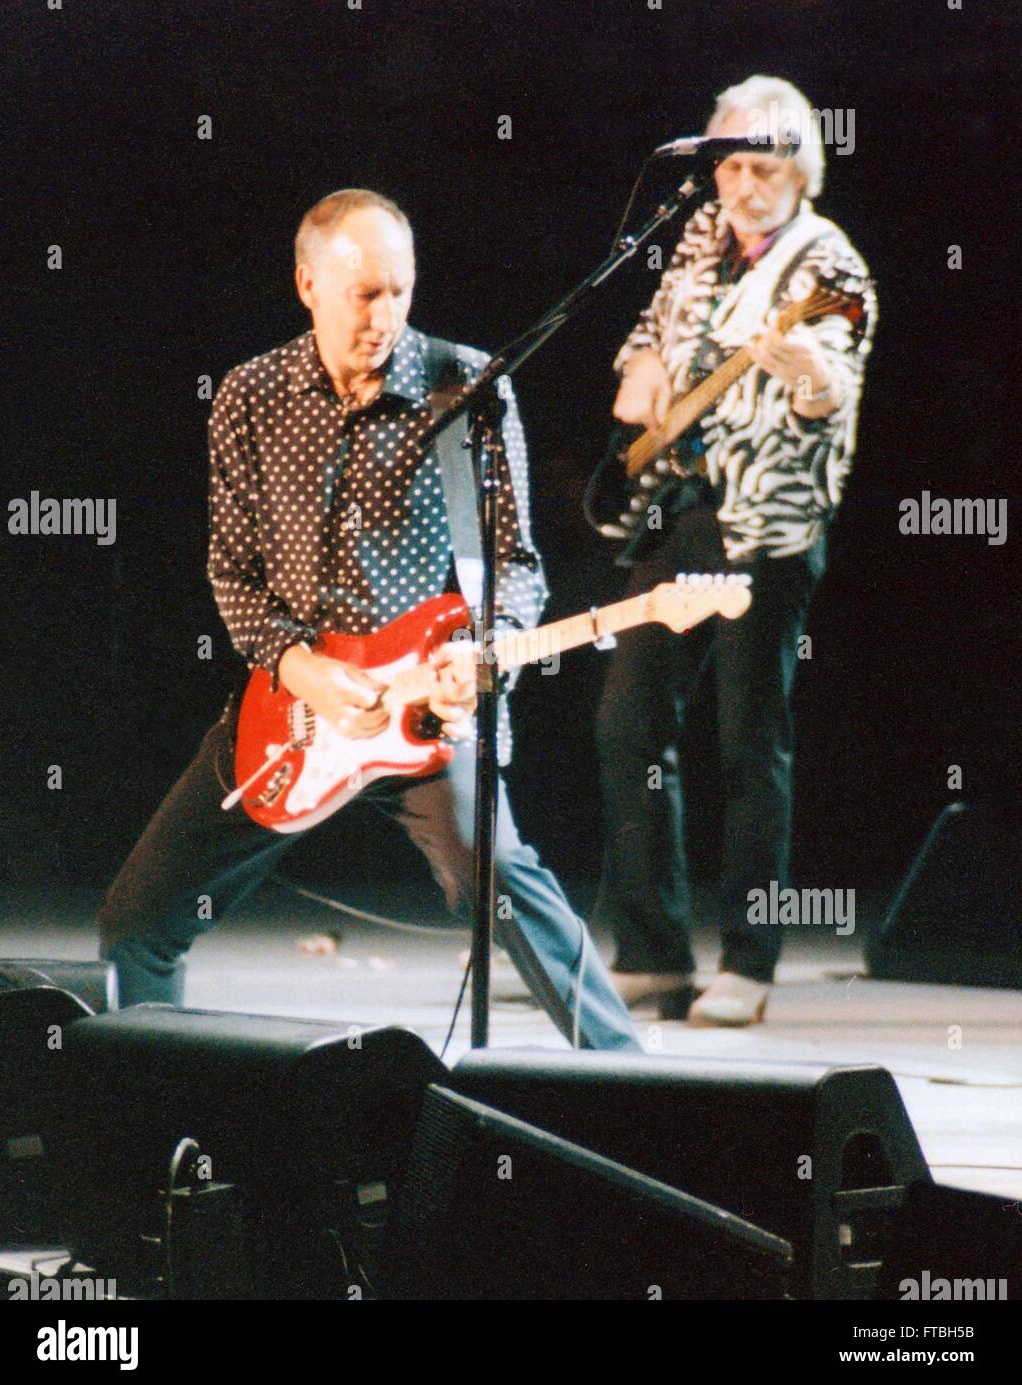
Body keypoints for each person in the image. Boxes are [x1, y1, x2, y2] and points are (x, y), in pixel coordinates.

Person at [97, 187, 641, 1052]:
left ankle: (631, 1079)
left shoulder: (469, 386)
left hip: (423, 710)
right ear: (307, 283)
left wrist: (480, 654)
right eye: (364, 294)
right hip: (295, 709)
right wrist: (306, 670)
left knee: (495, 880)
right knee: (135, 922)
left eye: (399, 290)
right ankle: (162, 1111)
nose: (385, 316)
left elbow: (517, 568)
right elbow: (231, 573)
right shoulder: (249, 395)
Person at [592, 76, 876, 1025]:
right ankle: (652, 950)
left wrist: (806, 382)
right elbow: (651, 330)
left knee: (750, 741)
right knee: (628, 721)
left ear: (802, 169)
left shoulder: (827, 264)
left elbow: (832, 382)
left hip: (769, 524)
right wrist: (639, 366)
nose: (744, 184)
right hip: (680, 508)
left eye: (764, 165)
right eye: (730, 164)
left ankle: (748, 961)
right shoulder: (697, 242)